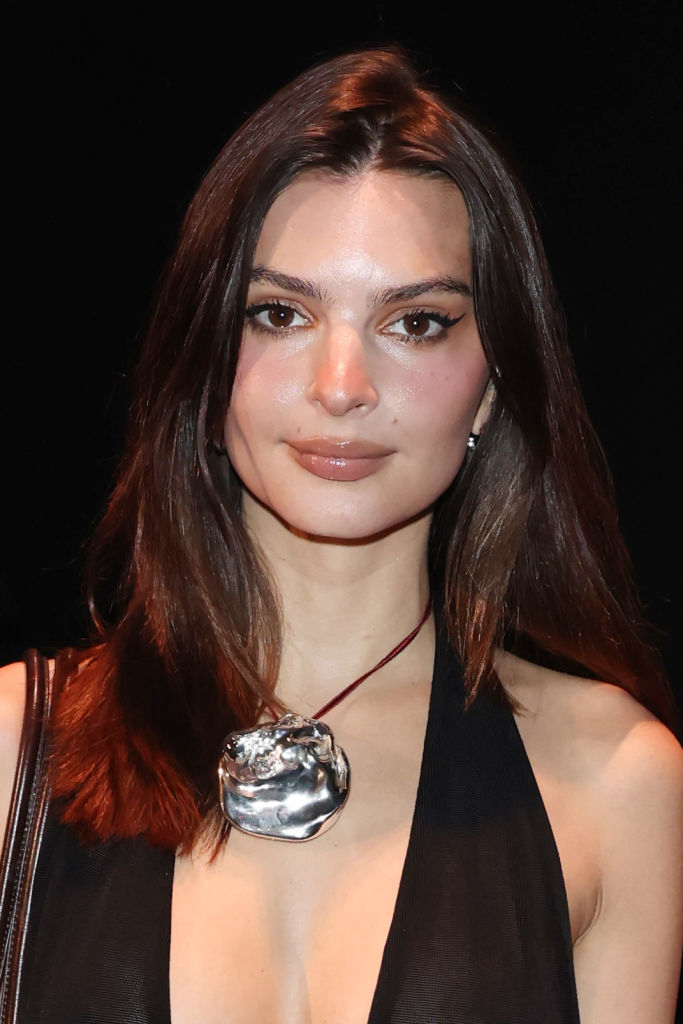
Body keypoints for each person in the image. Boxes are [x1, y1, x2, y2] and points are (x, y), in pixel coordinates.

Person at [1, 45, 682, 1023]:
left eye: (414, 323)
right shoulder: (13, 750)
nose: (340, 386)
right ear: (206, 359)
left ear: (493, 381)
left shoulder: (614, 781)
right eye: (279, 313)